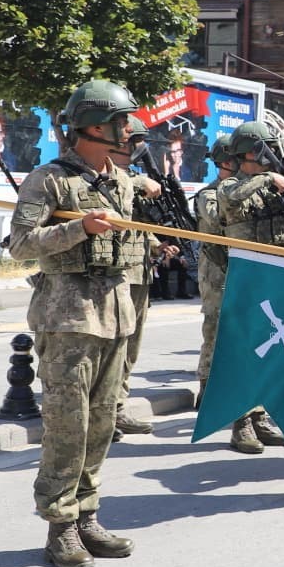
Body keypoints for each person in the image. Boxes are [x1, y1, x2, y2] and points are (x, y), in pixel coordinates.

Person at [7, 80, 143, 567]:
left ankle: (87, 514)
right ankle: (60, 525)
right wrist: (79, 228)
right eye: (121, 121)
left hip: (115, 315)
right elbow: (21, 244)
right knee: (68, 427)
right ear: (94, 126)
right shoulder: (49, 179)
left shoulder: (122, 182)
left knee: (103, 424)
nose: (128, 129)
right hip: (68, 320)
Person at [215, 121, 284, 455]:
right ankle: (241, 423)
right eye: (268, 148)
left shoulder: (277, 186)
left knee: (269, 354)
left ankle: (261, 416)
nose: (273, 156)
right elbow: (232, 198)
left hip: (275, 279)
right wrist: (266, 179)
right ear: (251, 151)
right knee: (245, 355)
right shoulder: (229, 185)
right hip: (246, 280)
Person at [108, 116, 169, 441]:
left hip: (140, 268)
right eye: (133, 142)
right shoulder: (109, 176)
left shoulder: (134, 179)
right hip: (117, 272)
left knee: (131, 347)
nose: (137, 148)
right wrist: (138, 183)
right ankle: (106, 410)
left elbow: (135, 221)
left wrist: (158, 244)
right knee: (114, 346)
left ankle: (117, 406)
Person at [191, 133, 237, 412]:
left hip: (238, 271)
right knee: (215, 329)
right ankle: (207, 387)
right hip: (216, 272)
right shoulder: (209, 194)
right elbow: (218, 216)